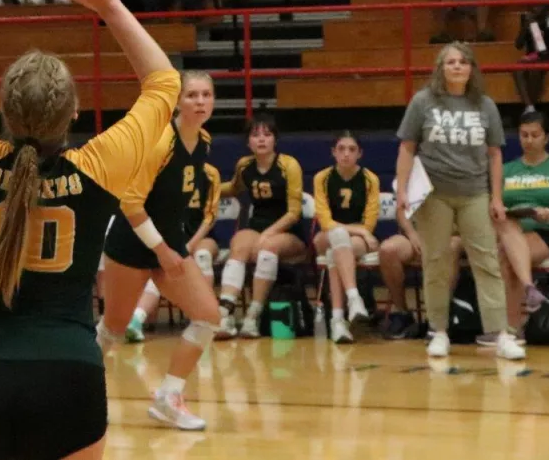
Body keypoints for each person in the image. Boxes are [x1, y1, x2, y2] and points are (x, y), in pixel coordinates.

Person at [0, 0, 181, 460]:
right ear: (74, 113)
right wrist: (109, 5)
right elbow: (162, 82)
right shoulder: (99, 167)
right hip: (69, 373)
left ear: (5, 112)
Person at [99, 71, 220, 431]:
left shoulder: (204, 141)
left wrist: (171, 248)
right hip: (131, 243)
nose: (200, 102)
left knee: (208, 316)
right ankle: (73, 393)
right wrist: (162, 250)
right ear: (177, 101)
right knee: (114, 328)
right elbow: (131, 204)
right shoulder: (161, 141)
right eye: (192, 95)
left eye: (207, 95)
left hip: (169, 243)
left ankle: (169, 397)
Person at [395, 42, 525, 360]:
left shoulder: (485, 105)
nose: (457, 66)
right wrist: (402, 191)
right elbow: (407, 148)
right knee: (436, 262)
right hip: (434, 195)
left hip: (475, 193)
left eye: (463, 62)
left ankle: (501, 334)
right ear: (440, 68)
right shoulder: (423, 101)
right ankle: (438, 331)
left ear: (471, 69)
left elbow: (495, 155)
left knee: (487, 261)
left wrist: (496, 197)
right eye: (450, 62)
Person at [216, 114, 306, 339]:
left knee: (268, 247)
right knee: (238, 244)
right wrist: (207, 187)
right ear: (248, 142)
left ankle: (253, 316)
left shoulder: (289, 165)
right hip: (257, 226)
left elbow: (294, 213)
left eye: (267, 134)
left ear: (275, 139)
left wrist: (268, 234)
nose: (262, 139)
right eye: (255, 135)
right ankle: (225, 313)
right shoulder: (244, 165)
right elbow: (234, 188)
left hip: (288, 232)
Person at [125, 155, 221, 344]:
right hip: (171, 239)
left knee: (202, 255)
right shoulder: (164, 170)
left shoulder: (210, 173)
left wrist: (190, 245)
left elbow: (210, 217)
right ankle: (136, 320)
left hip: (200, 237)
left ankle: (203, 320)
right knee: (163, 265)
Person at [312, 131, 381, 344]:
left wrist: (362, 231)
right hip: (328, 235)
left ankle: (338, 320)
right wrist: (360, 232)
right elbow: (325, 222)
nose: (346, 154)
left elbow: (369, 223)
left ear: (360, 154)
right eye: (341, 149)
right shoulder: (322, 178)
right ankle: (354, 299)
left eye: (352, 149)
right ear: (333, 152)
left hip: (355, 240)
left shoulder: (370, 179)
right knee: (337, 236)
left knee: (336, 251)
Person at [497, 111, 549, 335]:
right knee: (507, 242)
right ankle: (527, 293)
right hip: (510, 229)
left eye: (535, 135)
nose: (529, 140)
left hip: (547, 231)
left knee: (508, 255)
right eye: (524, 135)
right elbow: (493, 205)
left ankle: (512, 327)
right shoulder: (506, 170)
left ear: (547, 137)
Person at [378, 212, 463, 339]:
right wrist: (412, 235)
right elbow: (401, 211)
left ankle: (438, 318)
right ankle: (402, 313)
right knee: (388, 250)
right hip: (416, 235)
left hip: (451, 234)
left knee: (451, 247)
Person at [513, 1, 549, 111]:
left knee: (535, 69)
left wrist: (539, 56)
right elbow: (518, 45)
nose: (535, 8)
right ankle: (529, 107)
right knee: (517, 70)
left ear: (545, 6)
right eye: (532, 4)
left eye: (538, 4)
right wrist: (525, 27)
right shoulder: (528, 21)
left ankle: (532, 107)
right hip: (533, 58)